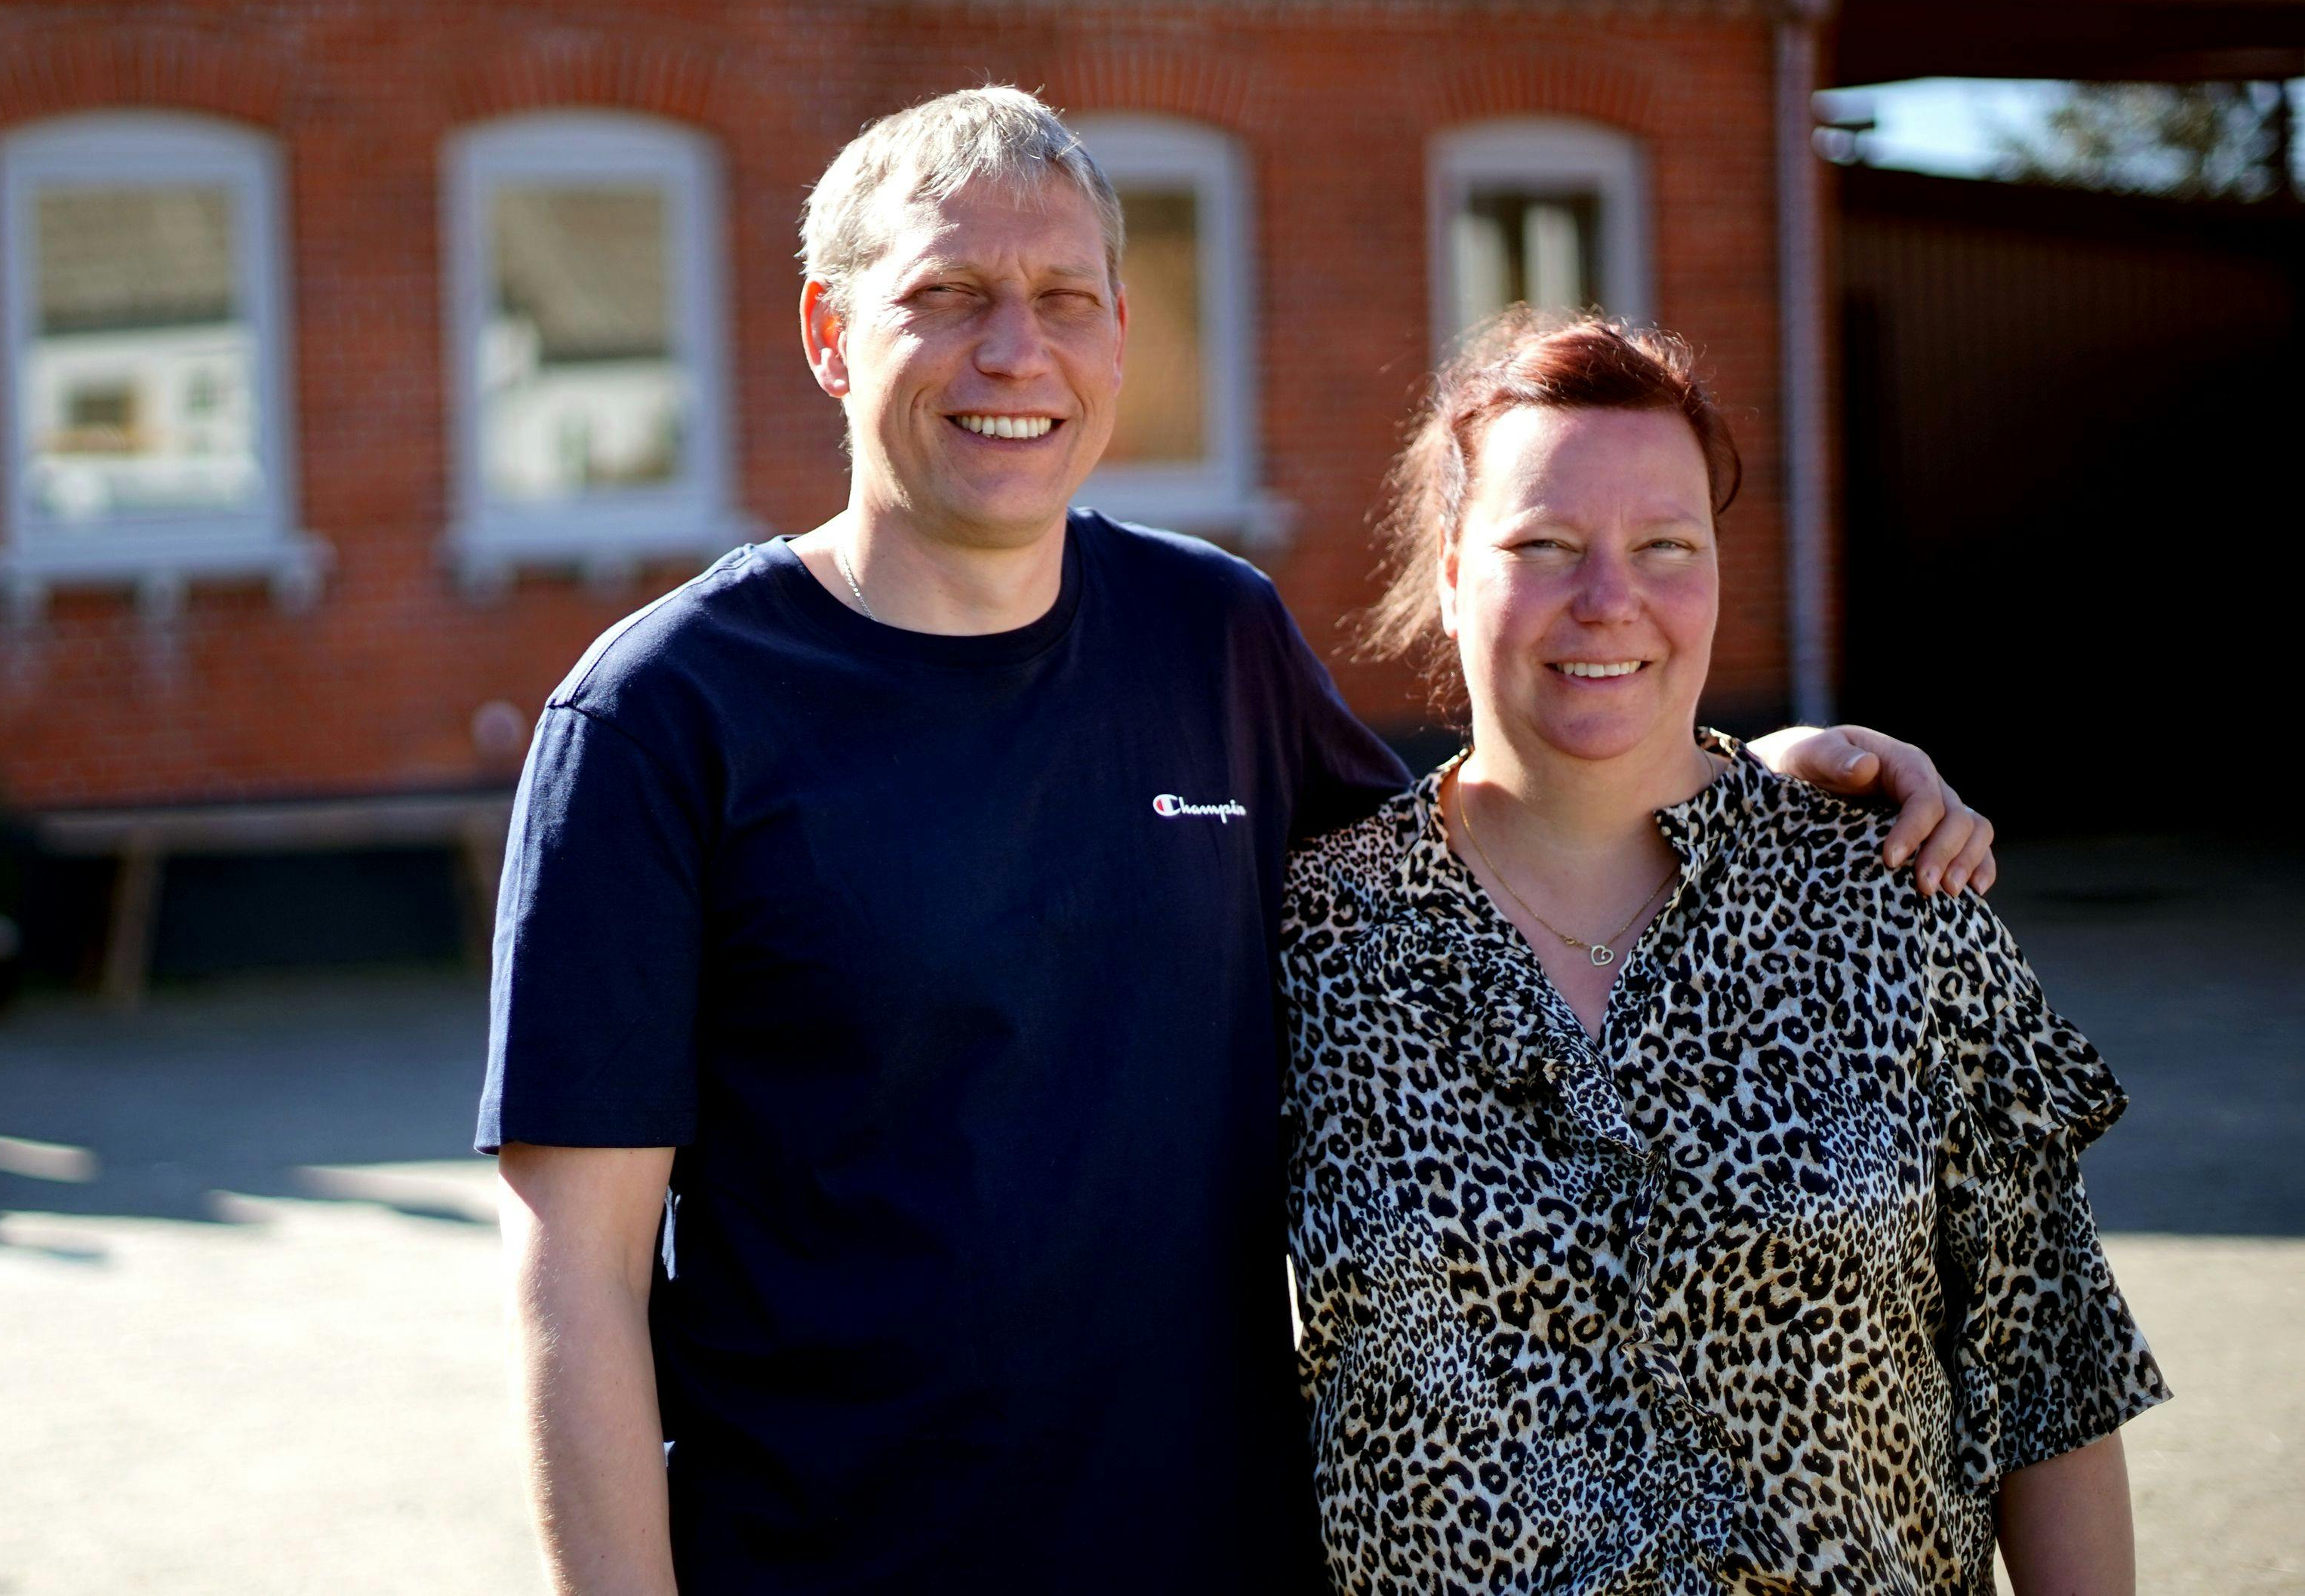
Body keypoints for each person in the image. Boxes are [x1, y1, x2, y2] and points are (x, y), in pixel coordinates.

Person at [476, 88, 1994, 1593]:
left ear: (1118, 335)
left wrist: (1732, 774)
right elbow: (575, 1282)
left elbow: (1479, 859)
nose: (1015, 349)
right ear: (827, 332)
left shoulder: (1210, 636)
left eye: (1062, 297)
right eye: (946, 295)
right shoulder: (662, 715)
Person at [1279, 314, 2163, 1593]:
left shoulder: (1891, 902)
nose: (1608, 599)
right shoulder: (1314, 939)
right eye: (1543, 545)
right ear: (1453, 564)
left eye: (1662, 546)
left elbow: (2047, 1375)